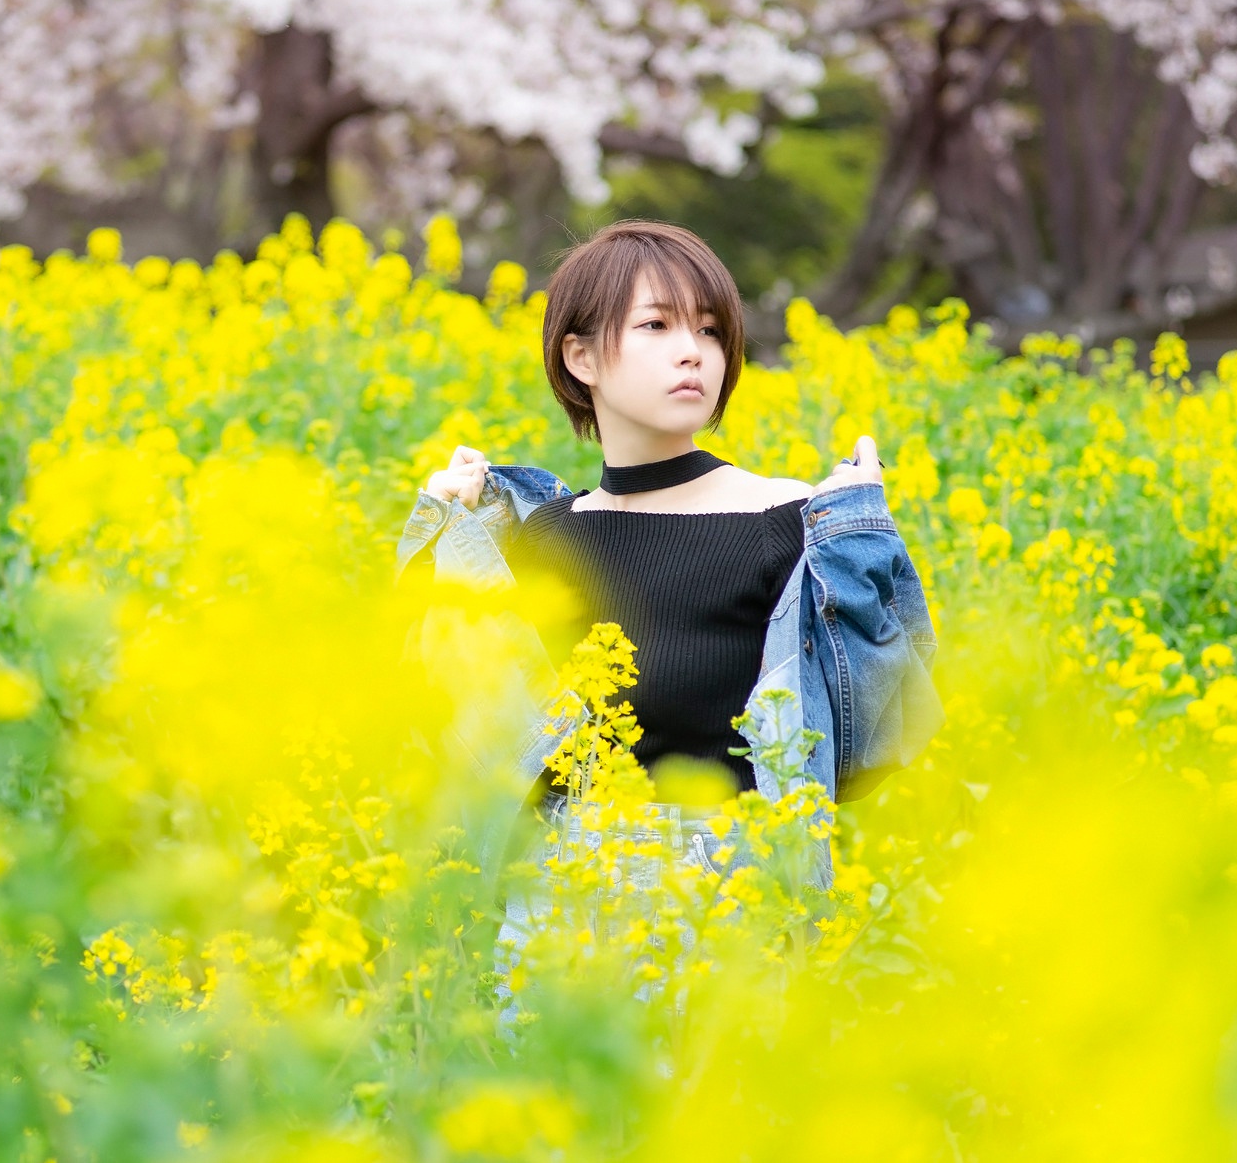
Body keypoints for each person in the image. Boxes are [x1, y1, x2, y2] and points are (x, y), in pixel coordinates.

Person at [394, 220, 942, 878]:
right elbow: (459, 733)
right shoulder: (547, 536)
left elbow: (874, 743)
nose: (693, 352)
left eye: (709, 330)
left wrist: (855, 542)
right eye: (657, 325)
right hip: (554, 924)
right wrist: (443, 530)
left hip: (729, 914)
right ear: (582, 357)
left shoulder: (784, 517)